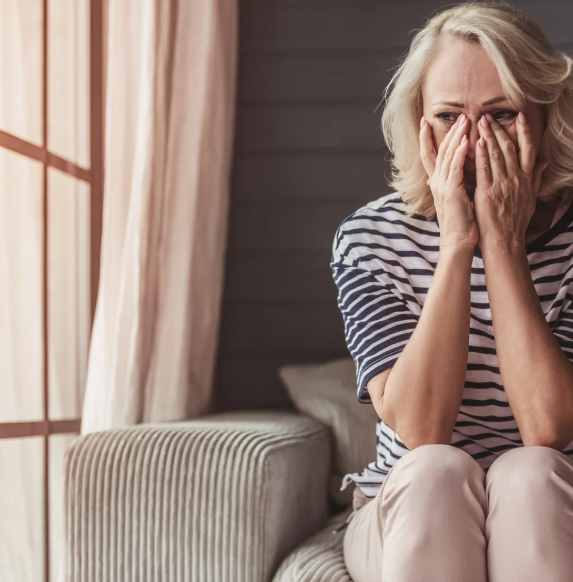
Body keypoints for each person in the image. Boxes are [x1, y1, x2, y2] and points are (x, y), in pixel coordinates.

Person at [330, 2, 573, 581]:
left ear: (546, 121)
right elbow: (418, 430)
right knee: (437, 470)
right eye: (447, 117)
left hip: (553, 500)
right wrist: (459, 244)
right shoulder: (369, 237)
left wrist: (504, 245)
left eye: (501, 114)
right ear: (419, 125)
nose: (471, 142)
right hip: (409, 502)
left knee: (531, 474)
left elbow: (549, 427)